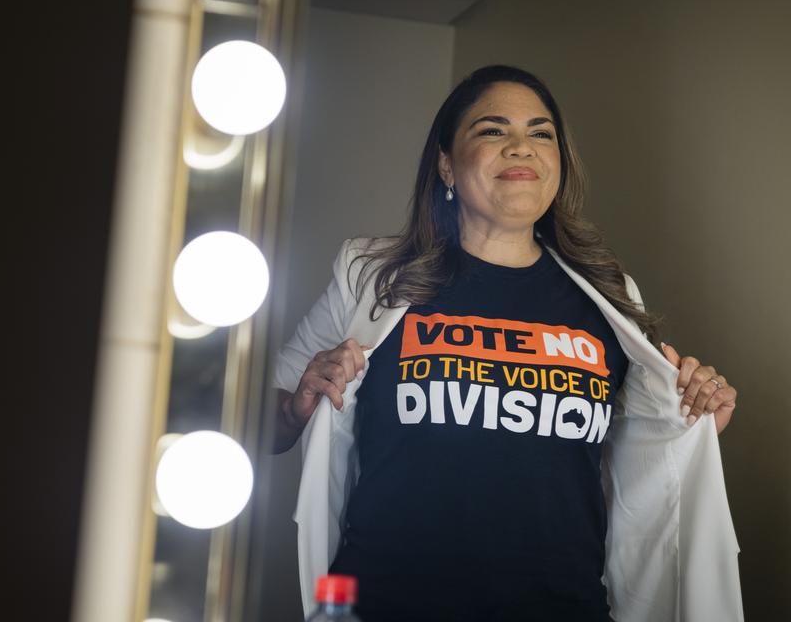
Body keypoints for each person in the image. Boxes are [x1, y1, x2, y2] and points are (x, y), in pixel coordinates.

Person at [270, 65, 742, 621]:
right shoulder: (372, 275)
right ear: (446, 162)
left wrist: (698, 415)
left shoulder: (609, 299)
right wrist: (297, 403)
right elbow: (258, 426)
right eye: (493, 130)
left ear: (558, 165)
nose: (522, 147)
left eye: (541, 133)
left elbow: (644, 452)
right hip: (382, 604)